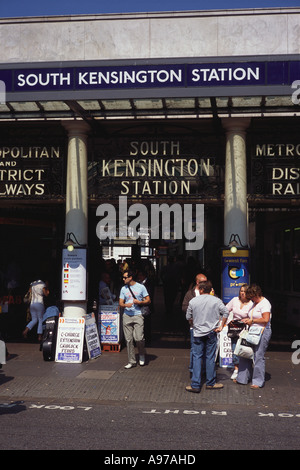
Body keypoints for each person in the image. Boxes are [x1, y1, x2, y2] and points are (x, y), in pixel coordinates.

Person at [185, 280, 229, 392]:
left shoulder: (193, 301)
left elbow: (188, 316)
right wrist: (221, 326)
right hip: (211, 332)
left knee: (197, 357)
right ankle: (210, 383)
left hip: (197, 332)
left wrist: (194, 322)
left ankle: (195, 384)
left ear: (201, 289)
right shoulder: (216, 301)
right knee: (210, 357)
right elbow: (226, 312)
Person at [235, 284, 272, 389]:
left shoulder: (265, 304)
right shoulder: (255, 303)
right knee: (245, 353)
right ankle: (242, 378)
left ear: (257, 294)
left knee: (258, 356)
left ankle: (258, 381)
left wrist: (252, 321)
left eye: (252, 296)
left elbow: (265, 319)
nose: (251, 299)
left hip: (262, 332)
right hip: (252, 331)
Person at [119, 270, 150, 369]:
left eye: (125, 277)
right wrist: (125, 305)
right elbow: (121, 303)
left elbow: (148, 300)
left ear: (130, 277)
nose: (123, 279)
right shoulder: (123, 289)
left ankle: (141, 354)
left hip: (138, 315)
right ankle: (131, 361)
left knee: (139, 338)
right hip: (127, 315)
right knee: (128, 340)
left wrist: (139, 302)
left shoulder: (141, 287)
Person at [226, 284, 253, 380]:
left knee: (244, 349)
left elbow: (253, 317)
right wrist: (228, 320)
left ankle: (245, 370)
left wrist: (248, 319)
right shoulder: (234, 300)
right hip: (234, 329)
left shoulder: (251, 304)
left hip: (245, 330)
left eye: (244, 291)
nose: (242, 293)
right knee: (234, 349)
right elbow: (226, 310)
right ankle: (236, 369)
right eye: (241, 291)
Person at [182, 273, 208, 375]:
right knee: (194, 349)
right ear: (197, 282)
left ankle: (205, 370)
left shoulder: (210, 292)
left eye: (206, 281)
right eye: (203, 282)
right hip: (195, 325)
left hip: (207, 325)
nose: (205, 284)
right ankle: (193, 369)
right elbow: (184, 307)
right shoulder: (190, 294)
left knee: (207, 349)